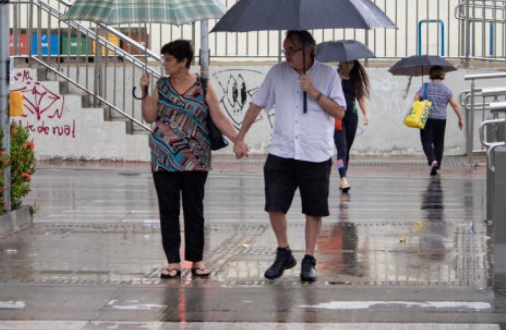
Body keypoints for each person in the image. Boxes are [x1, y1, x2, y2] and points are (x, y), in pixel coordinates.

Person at [234, 31, 345, 282]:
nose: (287, 54)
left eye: (291, 50)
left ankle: (309, 258)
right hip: (282, 150)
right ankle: (283, 251)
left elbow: (339, 112)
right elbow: (257, 104)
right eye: (285, 50)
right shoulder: (277, 73)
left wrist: (314, 91)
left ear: (308, 50)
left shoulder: (328, 75)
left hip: (314, 151)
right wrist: (240, 137)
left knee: (314, 209)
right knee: (274, 204)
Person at [139, 40, 240, 279]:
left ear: (183, 61)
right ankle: (172, 262)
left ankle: (196, 260)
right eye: (163, 59)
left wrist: (238, 138)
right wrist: (144, 91)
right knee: (168, 210)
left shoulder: (203, 86)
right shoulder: (161, 86)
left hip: (196, 159)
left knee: (194, 210)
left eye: (169, 59)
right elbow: (149, 116)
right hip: (164, 158)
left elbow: (218, 117)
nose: (164, 64)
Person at [414, 65, 464, 176]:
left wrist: (423, 99)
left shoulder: (425, 86)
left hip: (427, 118)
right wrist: (460, 118)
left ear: (431, 74)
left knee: (426, 141)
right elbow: (455, 105)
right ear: (442, 74)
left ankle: (432, 160)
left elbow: (415, 99)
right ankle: (437, 167)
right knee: (439, 143)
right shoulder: (446, 89)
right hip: (441, 119)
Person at [333, 59, 370, 193]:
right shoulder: (334, 76)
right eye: (346, 62)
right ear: (341, 63)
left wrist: (365, 114)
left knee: (346, 150)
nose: (349, 65)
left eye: (352, 63)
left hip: (352, 117)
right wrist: (338, 81)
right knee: (341, 149)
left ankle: (343, 176)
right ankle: (343, 178)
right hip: (338, 117)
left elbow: (360, 97)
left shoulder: (355, 79)